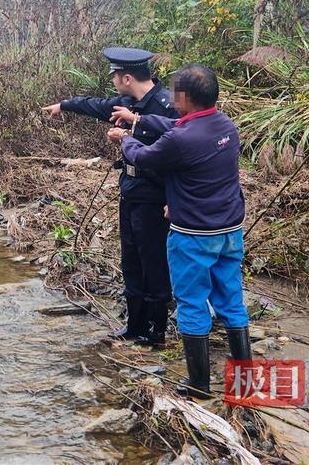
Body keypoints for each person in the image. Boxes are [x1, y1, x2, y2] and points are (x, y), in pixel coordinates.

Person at [108, 64, 252, 398]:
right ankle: (245, 382)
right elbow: (175, 127)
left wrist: (125, 138)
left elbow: (144, 157)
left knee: (191, 303)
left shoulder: (181, 139)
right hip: (230, 228)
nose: (170, 97)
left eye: (174, 92)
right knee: (231, 300)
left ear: (185, 98)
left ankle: (199, 385)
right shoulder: (225, 126)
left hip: (194, 236)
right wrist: (138, 118)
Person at [42, 47, 180, 345]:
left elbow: (176, 158)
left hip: (155, 197)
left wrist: (173, 198)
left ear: (126, 77)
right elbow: (96, 106)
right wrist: (64, 105)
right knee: (131, 258)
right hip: (130, 191)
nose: (114, 83)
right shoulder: (127, 102)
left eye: (115, 77)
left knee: (154, 261)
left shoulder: (168, 106)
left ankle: (156, 330)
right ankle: (134, 325)